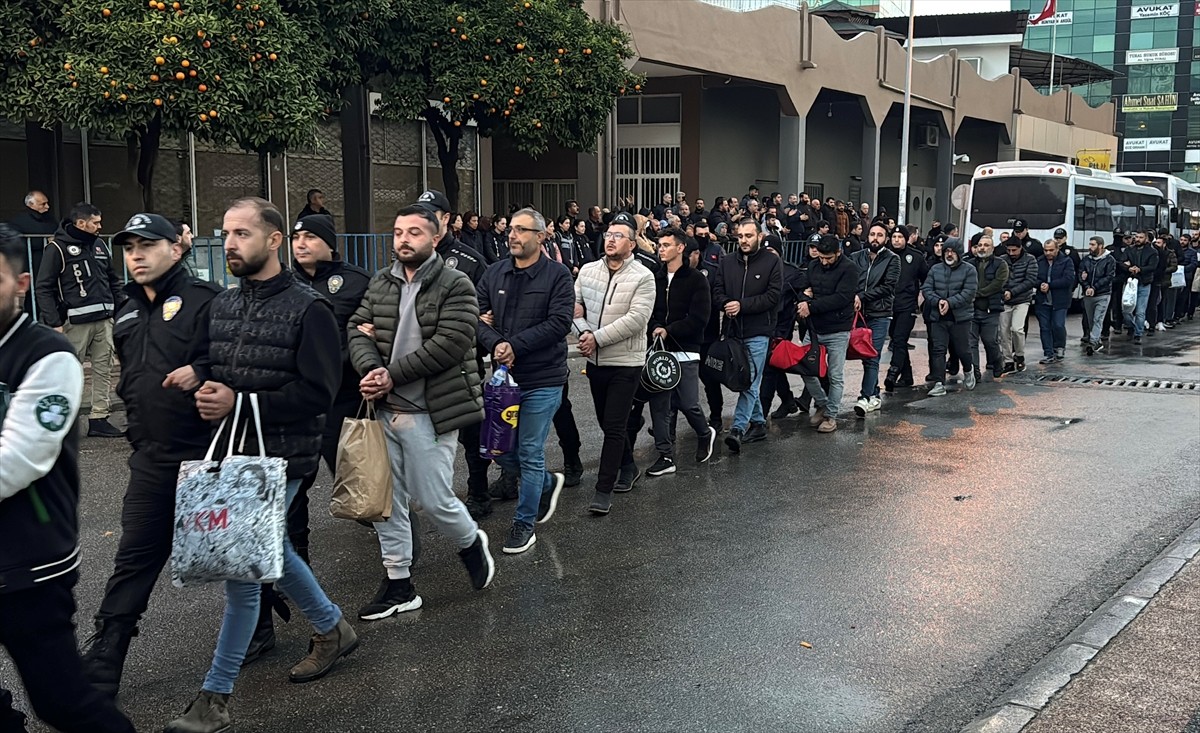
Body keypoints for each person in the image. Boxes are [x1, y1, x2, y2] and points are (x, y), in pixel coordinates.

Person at [164, 198, 356, 733]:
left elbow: (319, 391)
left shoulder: (309, 308)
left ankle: (215, 697)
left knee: (243, 571)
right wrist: (194, 371)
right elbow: (218, 359)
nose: (229, 243)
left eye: (242, 233)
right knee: (272, 551)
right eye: (225, 232)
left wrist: (240, 401)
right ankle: (331, 627)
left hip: (283, 456)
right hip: (230, 449)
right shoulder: (222, 304)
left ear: (273, 241)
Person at [0, 225, 138, 733]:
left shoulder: (47, 357)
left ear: (19, 283)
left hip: (29, 561)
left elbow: (18, 460)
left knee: (61, 701)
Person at [80, 214, 222, 699]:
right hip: (151, 457)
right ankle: (107, 652)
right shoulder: (123, 307)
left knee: (240, 554)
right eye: (129, 247)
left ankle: (267, 622)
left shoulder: (206, 301)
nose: (136, 255)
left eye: (147, 245)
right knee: (134, 556)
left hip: (206, 455)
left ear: (176, 249)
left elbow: (235, 359)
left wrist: (200, 369)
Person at [347, 204, 495, 617]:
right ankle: (399, 584)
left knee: (432, 498)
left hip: (431, 410)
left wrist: (389, 372)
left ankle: (469, 540)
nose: (403, 240)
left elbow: (450, 344)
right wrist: (371, 369)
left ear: (434, 238)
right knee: (387, 501)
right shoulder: (381, 282)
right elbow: (355, 329)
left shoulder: (456, 283)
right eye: (397, 232)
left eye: (414, 232)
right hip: (384, 409)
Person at [475, 208, 574, 555]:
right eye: (511, 229)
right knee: (498, 449)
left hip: (543, 378)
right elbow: (476, 319)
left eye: (521, 230)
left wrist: (512, 344)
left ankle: (524, 522)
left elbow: (559, 323)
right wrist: (495, 343)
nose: (512, 235)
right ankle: (546, 483)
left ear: (541, 236)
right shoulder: (494, 273)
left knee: (530, 450)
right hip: (504, 381)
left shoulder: (558, 276)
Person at [411, 190, 491, 516]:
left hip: (460, 366)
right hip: (418, 365)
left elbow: (485, 316)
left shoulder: (471, 261)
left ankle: (479, 492)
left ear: (445, 220)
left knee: (470, 437)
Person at [573, 212, 655, 515]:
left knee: (615, 426)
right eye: (609, 234)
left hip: (626, 362)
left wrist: (597, 337)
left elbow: (636, 319)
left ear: (632, 244)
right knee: (606, 421)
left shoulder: (643, 277)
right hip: (596, 361)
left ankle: (603, 489)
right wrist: (584, 333)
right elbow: (575, 307)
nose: (611, 239)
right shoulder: (588, 271)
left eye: (619, 235)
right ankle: (628, 465)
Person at [33, 201, 125, 438]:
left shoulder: (99, 245)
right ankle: (64, 421)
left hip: (104, 319)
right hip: (74, 322)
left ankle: (99, 418)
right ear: (81, 223)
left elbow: (112, 279)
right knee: (68, 373)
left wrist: (120, 309)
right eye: (95, 222)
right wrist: (54, 322)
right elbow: (43, 287)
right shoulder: (57, 248)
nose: (100, 226)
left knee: (103, 371)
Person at [645, 227, 717, 476]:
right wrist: (655, 327)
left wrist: (669, 329)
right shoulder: (656, 277)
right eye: (659, 245)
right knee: (661, 405)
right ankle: (665, 455)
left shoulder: (696, 279)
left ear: (680, 247)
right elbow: (650, 311)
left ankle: (704, 433)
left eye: (666, 245)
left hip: (686, 349)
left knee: (687, 402)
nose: (661, 249)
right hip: (660, 351)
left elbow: (700, 318)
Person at [714, 219, 782, 452]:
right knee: (743, 378)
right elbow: (717, 291)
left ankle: (738, 428)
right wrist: (726, 304)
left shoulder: (772, 261)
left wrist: (742, 305)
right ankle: (759, 423)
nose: (743, 240)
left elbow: (773, 296)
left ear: (759, 237)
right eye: (740, 235)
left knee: (749, 380)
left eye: (748, 236)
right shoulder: (726, 262)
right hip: (732, 331)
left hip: (759, 331)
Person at [796, 235, 858, 431]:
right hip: (815, 328)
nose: (824, 261)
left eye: (828, 258)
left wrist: (811, 305)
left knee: (835, 375)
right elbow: (802, 290)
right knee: (805, 368)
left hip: (838, 329)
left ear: (838, 253)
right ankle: (822, 404)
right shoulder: (814, 266)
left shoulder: (849, 269)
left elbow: (841, 298)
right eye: (821, 257)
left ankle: (831, 416)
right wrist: (804, 299)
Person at [848, 222, 899, 416]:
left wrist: (862, 296)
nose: (875, 238)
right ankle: (875, 393)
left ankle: (865, 397)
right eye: (872, 234)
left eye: (879, 235)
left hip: (880, 314)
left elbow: (888, 287)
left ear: (886, 239)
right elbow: (849, 280)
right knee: (865, 356)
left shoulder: (892, 259)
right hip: (859, 315)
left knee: (872, 356)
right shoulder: (855, 257)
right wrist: (854, 296)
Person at [922, 238, 978, 396]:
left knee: (963, 350)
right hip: (938, 317)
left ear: (959, 253)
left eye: (952, 251)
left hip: (960, 318)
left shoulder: (969, 270)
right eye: (947, 251)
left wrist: (949, 302)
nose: (949, 254)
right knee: (938, 350)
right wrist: (938, 301)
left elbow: (969, 293)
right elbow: (927, 288)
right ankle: (939, 383)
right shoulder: (935, 269)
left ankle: (968, 370)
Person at [884, 225, 928, 391]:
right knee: (896, 339)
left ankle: (893, 372)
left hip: (907, 304)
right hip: (889, 305)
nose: (896, 240)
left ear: (906, 238)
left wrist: (922, 296)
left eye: (900, 237)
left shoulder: (915, 256)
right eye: (894, 237)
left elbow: (926, 277)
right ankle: (907, 375)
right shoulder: (885, 255)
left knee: (900, 339)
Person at [966, 234, 1009, 380]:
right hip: (972, 309)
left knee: (990, 341)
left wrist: (979, 293)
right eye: (980, 245)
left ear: (992, 247)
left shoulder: (1000, 264)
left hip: (991, 309)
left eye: (986, 245)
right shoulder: (969, 264)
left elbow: (998, 283)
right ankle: (975, 371)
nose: (982, 248)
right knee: (971, 342)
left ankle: (997, 361)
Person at [998, 236, 1038, 374]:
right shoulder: (1002, 260)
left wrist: (1012, 292)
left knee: (1017, 329)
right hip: (1005, 300)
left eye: (1014, 250)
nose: (1011, 253)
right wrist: (1004, 292)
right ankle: (1008, 360)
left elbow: (1031, 280)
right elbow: (998, 278)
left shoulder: (1030, 259)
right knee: (1003, 332)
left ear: (1020, 248)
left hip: (1022, 299)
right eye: (1009, 250)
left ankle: (1019, 356)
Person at [1034, 239, 1076, 364]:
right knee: (1044, 327)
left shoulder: (1066, 261)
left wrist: (1050, 285)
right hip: (1042, 300)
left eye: (1051, 250)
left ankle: (1059, 347)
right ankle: (1048, 353)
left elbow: (1068, 279)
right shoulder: (1039, 261)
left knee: (1058, 325)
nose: (1048, 253)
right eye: (1046, 250)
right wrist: (1039, 284)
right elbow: (1032, 277)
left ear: (1057, 249)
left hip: (1060, 300)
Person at [1078, 235, 1115, 355]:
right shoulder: (1086, 260)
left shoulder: (1109, 260)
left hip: (1102, 294)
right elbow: (1081, 274)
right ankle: (1096, 340)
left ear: (1100, 246)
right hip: (1088, 294)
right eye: (1090, 244)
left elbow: (1109, 277)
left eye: (1093, 245)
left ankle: (1093, 342)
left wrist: (1094, 287)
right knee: (1090, 319)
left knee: (1097, 318)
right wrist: (1086, 286)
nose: (1090, 247)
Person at [1120, 230, 1158, 345]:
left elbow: (1152, 266)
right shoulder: (1129, 250)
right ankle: (1131, 326)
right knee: (1126, 310)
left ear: (1146, 239)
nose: (1137, 239)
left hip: (1144, 283)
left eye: (1140, 237)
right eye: (1136, 237)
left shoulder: (1152, 252)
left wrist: (1140, 269)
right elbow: (1121, 262)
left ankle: (1138, 334)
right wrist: (1129, 268)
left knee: (1140, 312)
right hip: (1130, 283)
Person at [1103, 230, 1131, 341]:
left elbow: (1126, 264)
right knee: (1109, 305)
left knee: (1118, 304)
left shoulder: (1126, 249)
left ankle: (1118, 324)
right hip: (1110, 279)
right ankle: (1110, 325)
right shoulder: (1109, 248)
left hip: (1120, 279)